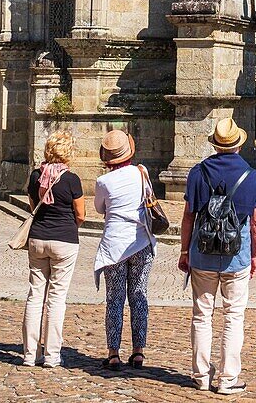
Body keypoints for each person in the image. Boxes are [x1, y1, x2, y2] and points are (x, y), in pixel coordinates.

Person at [179, 117, 256, 394]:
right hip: (235, 255)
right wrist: (254, 254)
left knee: (202, 315)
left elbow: (188, 216)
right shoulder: (251, 176)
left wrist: (184, 250)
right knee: (233, 316)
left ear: (215, 145)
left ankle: (201, 376)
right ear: (238, 145)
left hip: (201, 254)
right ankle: (228, 380)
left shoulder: (197, 172)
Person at [93, 129, 156, 372]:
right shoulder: (142, 172)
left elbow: (100, 208)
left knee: (115, 299)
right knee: (139, 295)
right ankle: (138, 352)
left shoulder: (103, 182)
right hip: (141, 242)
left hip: (114, 246)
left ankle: (113, 353)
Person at [22, 130, 85, 368]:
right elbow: (80, 214)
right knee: (57, 299)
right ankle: (52, 355)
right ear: (68, 154)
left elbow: (33, 206)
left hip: (37, 239)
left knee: (35, 296)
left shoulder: (36, 176)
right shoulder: (72, 180)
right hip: (64, 241)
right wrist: (68, 226)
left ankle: (29, 355)